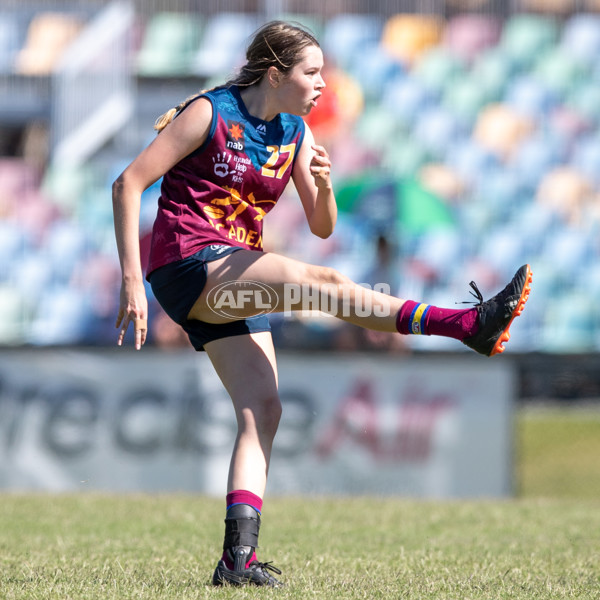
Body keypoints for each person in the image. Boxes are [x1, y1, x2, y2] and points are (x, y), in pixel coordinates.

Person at [112, 20, 532, 587]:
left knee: (263, 410)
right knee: (321, 282)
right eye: (312, 72)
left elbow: (322, 225)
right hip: (187, 263)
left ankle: (237, 560)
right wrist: (133, 282)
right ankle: (465, 324)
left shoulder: (298, 132)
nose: (321, 84)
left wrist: (325, 185)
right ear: (275, 72)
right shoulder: (210, 113)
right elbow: (128, 183)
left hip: (235, 271)